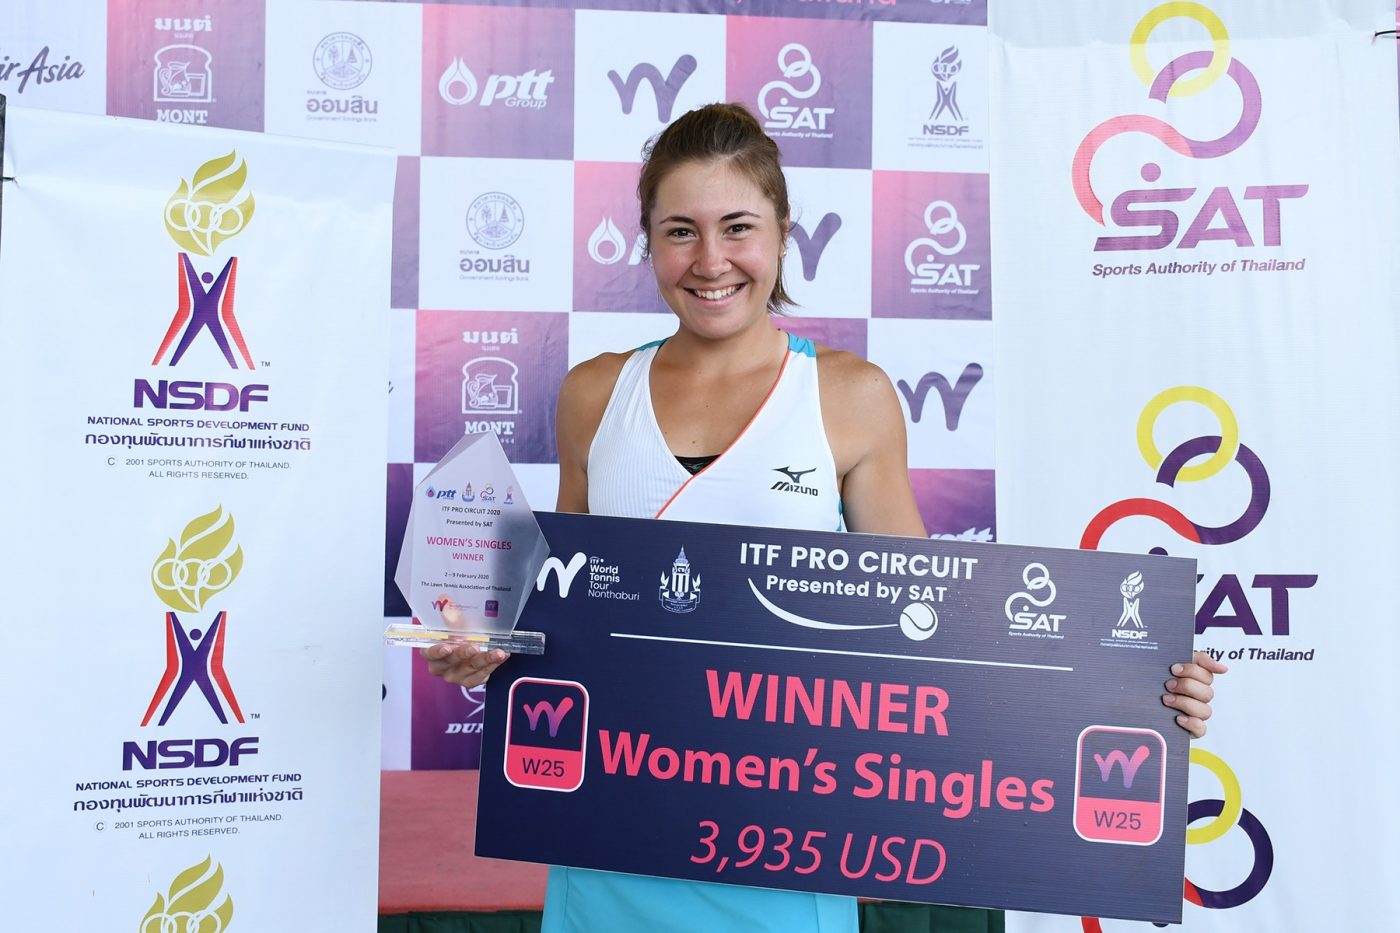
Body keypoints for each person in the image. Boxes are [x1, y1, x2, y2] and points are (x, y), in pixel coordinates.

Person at [424, 102, 1225, 932]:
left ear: (782, 233)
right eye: (680, 231)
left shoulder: (849, 396)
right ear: (648, 241)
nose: (710, 261)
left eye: (738, 227)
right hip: (608, 834)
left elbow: (939, 631)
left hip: (784, 840)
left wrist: (1133, 687)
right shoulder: (594, 393)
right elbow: (564, 612)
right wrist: (486, 650)